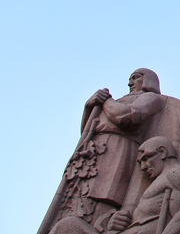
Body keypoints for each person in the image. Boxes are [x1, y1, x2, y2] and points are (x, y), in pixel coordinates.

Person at [56, 69, 165, 226]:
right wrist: (89, 106)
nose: (130, 82)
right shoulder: (119, 101)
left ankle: (99, 226)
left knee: (101, 197)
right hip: (92, 152)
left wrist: (106, 101)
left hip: (117, 150)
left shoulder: (150, 98)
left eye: (135, 77)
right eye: (130, 78)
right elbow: (88, 131)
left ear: (148, 80)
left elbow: (128, 117)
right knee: (77, 199)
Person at [50, 136, 180, 234]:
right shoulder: (162, 179)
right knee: (67, 226)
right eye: (141, 163)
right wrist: (117, 221)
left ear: (162, 152)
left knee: (67, 227)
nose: (144, 167)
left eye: (146, 159)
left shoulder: (177, 174)